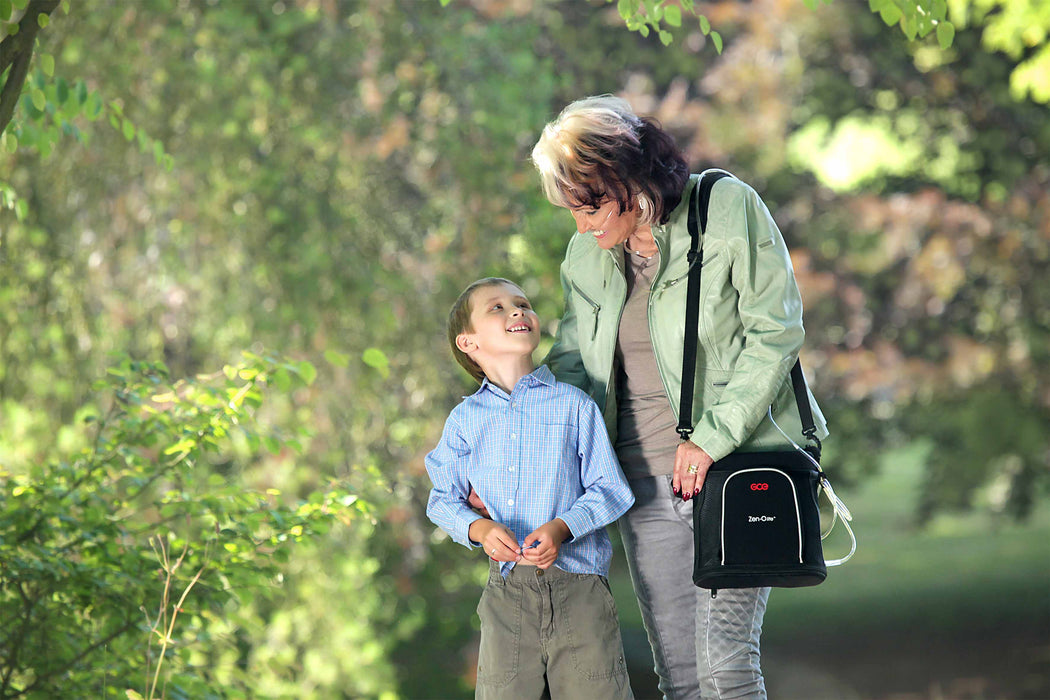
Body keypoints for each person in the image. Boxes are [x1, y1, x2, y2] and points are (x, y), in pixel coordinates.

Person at [529, 95, 829, 699]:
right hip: (640, 485)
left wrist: (712, 438)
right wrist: (511, 443)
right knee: (682, 679)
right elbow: (572, 367)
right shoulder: (585, 256)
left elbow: (775, 332)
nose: (581, 226)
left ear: (625, 181)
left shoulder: (724, 208)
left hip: (734, 473)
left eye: (588, 207)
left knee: (726, 668)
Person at [425, 277, 637, 700]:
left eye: (522, 304)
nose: (517, 311)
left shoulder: (574, 405)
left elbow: (611, 488)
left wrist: (562, 527)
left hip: (580, 587)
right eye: (497, 308)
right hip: (507, 595)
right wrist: (479, 530)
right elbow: (442, 500)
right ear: (468, 343)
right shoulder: (465, 421)